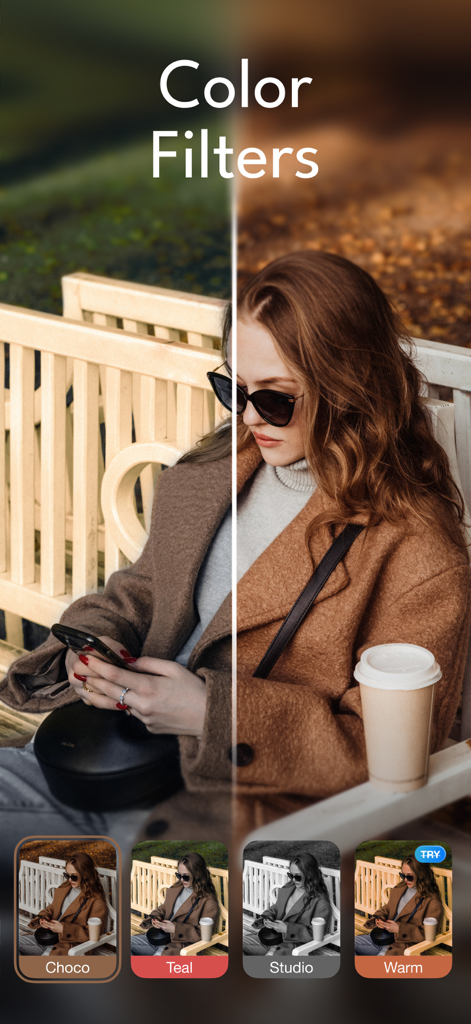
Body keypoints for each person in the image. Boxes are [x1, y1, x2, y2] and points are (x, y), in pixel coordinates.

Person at [207, 250, 471, 834]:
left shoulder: (418, 553)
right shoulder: (224, 463)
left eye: (276, 398)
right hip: (110, 754)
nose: (248, 417)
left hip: (257, 815)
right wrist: (101, 640)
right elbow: (147, 586)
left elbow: (386, 756)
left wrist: (204, 714)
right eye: (233, 387)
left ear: (348, 388)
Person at [19, 850, 108, 956]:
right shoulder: (65, 888)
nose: (70, 880)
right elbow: (53, 908)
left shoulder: (96, 901)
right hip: (47, 937)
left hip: (68, 946)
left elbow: (92, 935)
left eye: (74, 876)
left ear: (86, 874)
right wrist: (43, 918)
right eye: (67, 875)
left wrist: (63, 928)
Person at [243, 852, 332, 956]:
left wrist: (287, 928)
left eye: (298, 877)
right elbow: (276, 907)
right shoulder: (289, 887)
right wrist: (267, 917)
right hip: (271, 938)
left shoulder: (320, 902)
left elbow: (316, 935)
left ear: (310, 874)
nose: (293, 880)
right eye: (290, 875)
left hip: (293, 947)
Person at [131, 852, 219, 956]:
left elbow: (204, 935)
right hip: (160, 937)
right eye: (179, 875)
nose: (181, 880)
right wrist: (156, 918)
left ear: (198, 875)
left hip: (180, 946)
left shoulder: (208, 902)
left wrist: (175, 928)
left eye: (186, 877)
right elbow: (164, 908)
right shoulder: (176, 888)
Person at [355, 854, 444, 955]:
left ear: (421, 875)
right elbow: (388, 908)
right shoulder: (401, 888)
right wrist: (379, 917)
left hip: (403, 946)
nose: (405, 880)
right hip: (383, 937)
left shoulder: (432, 901)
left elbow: (427, 935)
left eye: (409, 877)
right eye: (403, 875)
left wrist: (399, 929)